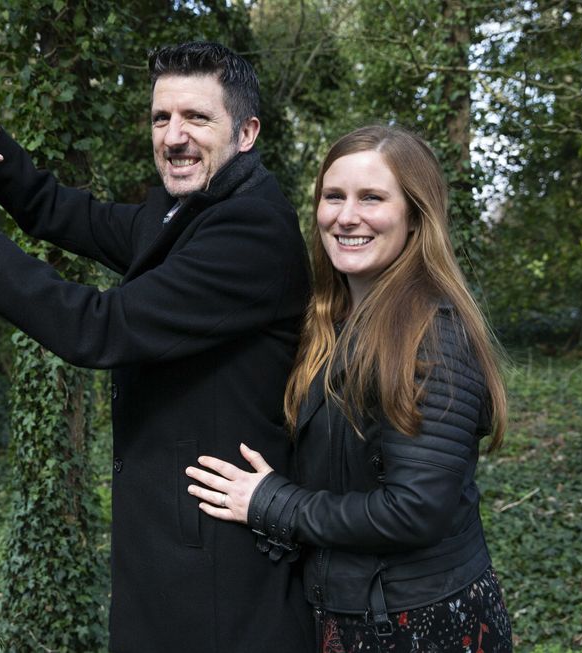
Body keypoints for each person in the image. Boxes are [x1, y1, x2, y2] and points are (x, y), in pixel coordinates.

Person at [0, 42, 313, 652]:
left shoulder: (252, 230)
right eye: (161, 118)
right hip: (172, 551)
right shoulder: (188, 212)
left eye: (196, 118)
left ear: (246, 133)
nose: (174, 137)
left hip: (218, 570)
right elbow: (62, 212)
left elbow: (100, 329)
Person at [185, 125, 514, 652]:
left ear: (415, 216)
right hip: (350, 614)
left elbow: (415, 510)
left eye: (372, 198)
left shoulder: (433, 335)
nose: (346, 216)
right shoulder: (330, 321)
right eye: (334, 196)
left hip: (421, 626)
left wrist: (274, 504)